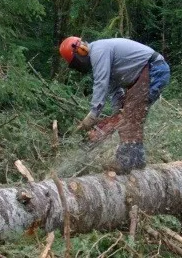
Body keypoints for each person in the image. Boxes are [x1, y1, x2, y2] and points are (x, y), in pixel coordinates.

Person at [59, 36, 170, 174]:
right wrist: (118, 114)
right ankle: (135, 161)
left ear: (80, 50)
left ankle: (127, 162)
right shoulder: (102, 57)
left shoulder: (98, 51)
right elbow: (115, 91)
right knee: (128, 117)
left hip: (154, 70)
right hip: (144, 74)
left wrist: (93, 114)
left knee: (131, 118)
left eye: (76, 62)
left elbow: (101, 83)